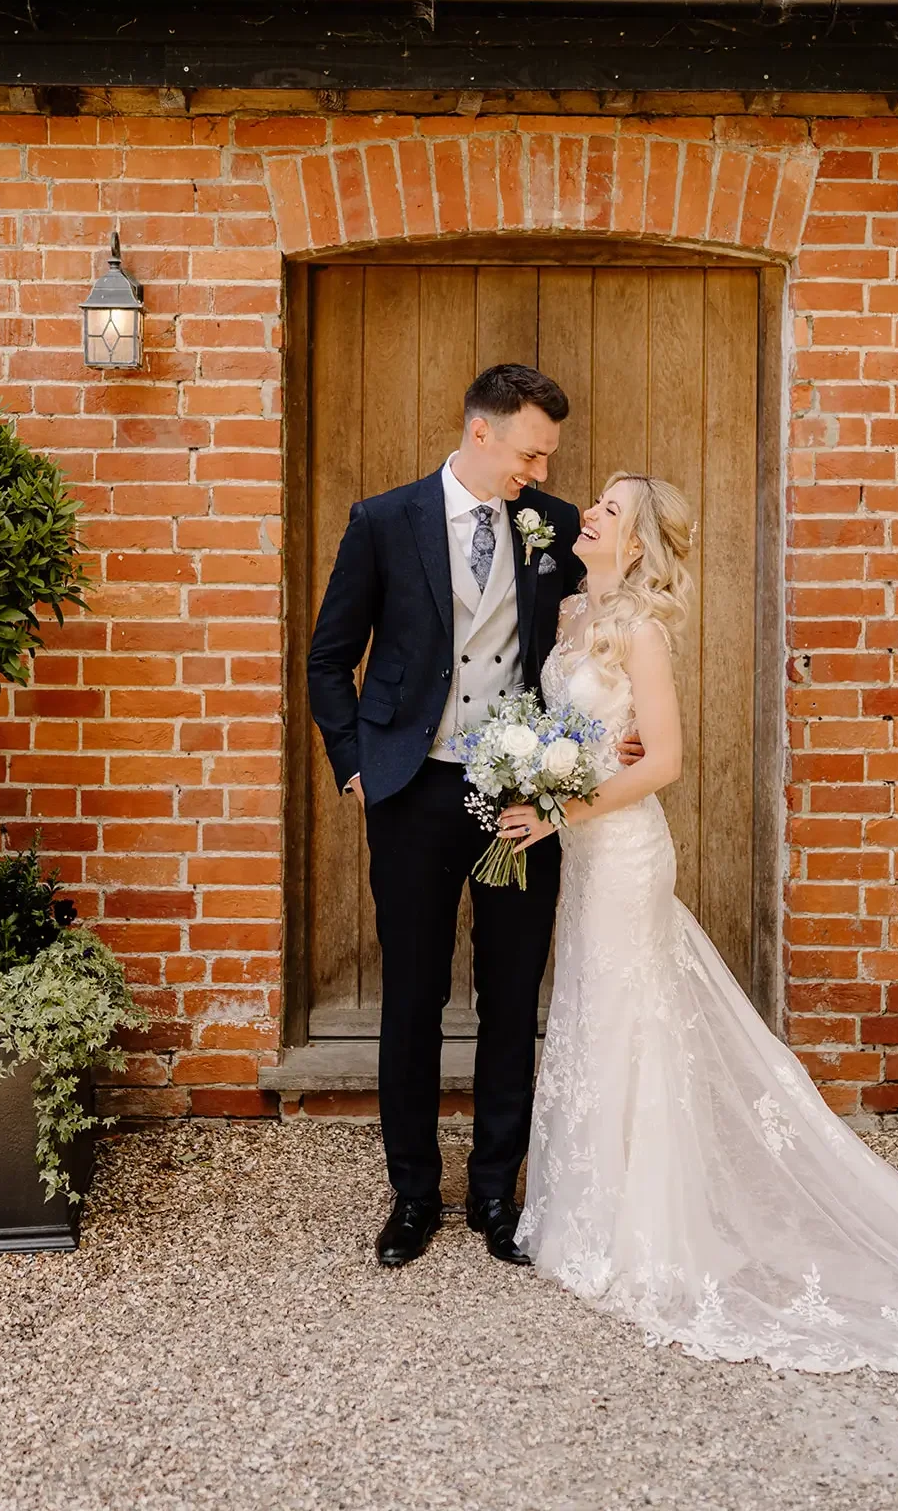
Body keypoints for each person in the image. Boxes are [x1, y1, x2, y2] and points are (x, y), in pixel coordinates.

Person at [501, 471, 898, 1373]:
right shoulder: (565, 618)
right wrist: (542, 774)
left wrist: (558, 811)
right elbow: (578, 734)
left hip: (624, 849)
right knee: (597, 1018)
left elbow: (664, 760)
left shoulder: (637, 631)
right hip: (586, 854)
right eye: (592, 503)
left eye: (607, 511)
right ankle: (587, 1214)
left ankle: (643, 1230)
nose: (587, 515)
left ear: (634, 546)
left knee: (631, 1019)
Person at [307, 365, 642, 1269]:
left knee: (509, 994)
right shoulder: (383, 521)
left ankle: (497, 1190)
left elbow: (608, 623)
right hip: (412, 791)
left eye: (549, 456)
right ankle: (413, 1195)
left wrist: (623, 731)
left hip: (521, 798)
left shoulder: (557, 523)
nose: (540, 469)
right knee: (412, 997)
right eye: (531, 450)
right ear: (481, 433)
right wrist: (355, 769)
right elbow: (328, 658)